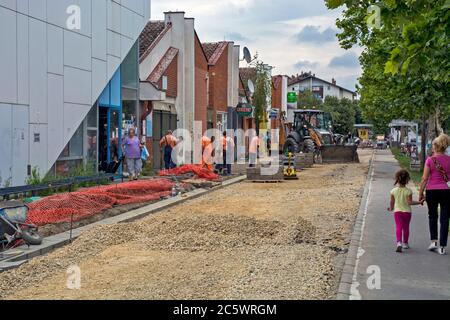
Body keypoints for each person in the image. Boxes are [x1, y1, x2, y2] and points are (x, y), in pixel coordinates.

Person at [419, 134, 450, 255]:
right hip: (447, 191)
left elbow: (424, 178)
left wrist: (421, 193)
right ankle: (442, 247)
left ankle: (434, 242)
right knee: (445, 218)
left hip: (432, 191)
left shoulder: (430, 160)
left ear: (435, 147)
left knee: (432, 216)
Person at [388, 170, 424, 253]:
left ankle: (399, 242)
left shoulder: (393, 191)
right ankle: (405, 243)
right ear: (407, 180)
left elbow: (392, 202)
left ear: (397, 179)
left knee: (398, 227)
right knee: (406, 228)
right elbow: (409, 202)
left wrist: (391, 208)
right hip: (407, 212)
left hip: (397, 212)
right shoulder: (408, 191)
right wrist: (419, 202)